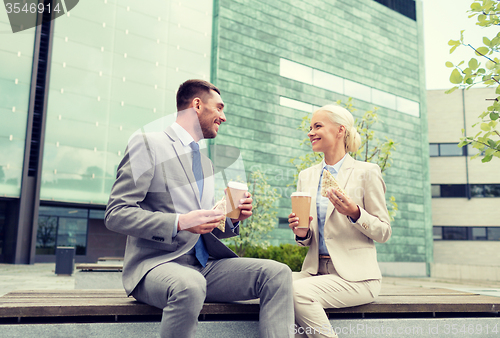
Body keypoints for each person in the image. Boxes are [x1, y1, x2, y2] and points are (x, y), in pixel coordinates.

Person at [105, 79, 294, 338]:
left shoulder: (205, 162)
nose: (223, 117)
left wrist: (232, 218)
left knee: (277, 273)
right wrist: (179, 222)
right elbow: (116, 213)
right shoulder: (148, 144)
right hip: (157, 265)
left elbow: (204, 224)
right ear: (197, 105)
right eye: (219, 108)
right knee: (190, 285)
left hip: (205, 266)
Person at [288, 104, 392, 338]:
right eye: (310, 127)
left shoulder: (367, 171)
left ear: (340, 130)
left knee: (295, 292)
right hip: (315, 272)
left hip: (357, 277)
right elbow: (305, 241)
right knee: (270, 282)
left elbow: (384, 232)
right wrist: (301, 231)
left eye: (318, 126)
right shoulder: (306, 176)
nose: (310, 132)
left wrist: (355, 212)